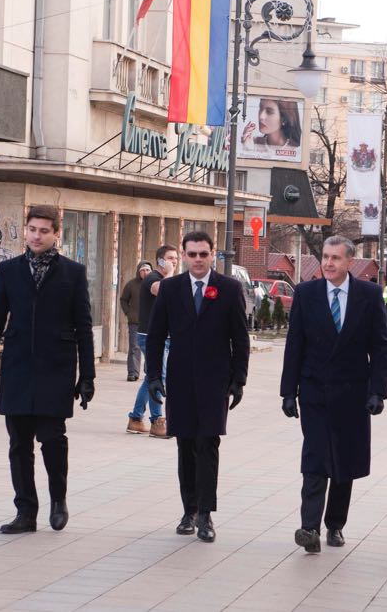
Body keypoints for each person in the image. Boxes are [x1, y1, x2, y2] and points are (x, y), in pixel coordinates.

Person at [0, 205, 95, 534]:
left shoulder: (73, 272)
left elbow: (84, 326)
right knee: (19, 444)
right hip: (17, 367)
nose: (37, 236)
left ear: (57, 234)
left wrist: (87, 375)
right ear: (25, 231)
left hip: (56, 367)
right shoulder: (10, 270)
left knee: (53, 439)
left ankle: (58, 500)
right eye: (32, 229)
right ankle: (25, 511)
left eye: (44, 230)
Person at [281, 236, 387, 552]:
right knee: (315, 459)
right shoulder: (306, 293)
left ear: (349, 262)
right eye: (325, 257)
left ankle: (335, 525)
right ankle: (308, 528)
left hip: (353, 393)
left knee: (344, 462)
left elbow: (380, 347)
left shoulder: (369, 295)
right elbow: (294, 345)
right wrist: (288, 392)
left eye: (335, 258)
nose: (328, 263)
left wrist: (378, 392)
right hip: (315, 390)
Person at [146, 231, 250, 543]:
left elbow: (240, 339)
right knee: (185, 445)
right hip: (179, 380)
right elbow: (155, 336)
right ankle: (188, 510)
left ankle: (206, 514)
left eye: (203, 254)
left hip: (214, 381)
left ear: (213, 254)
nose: (197, 260)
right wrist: (153, 376)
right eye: (192, 254)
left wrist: (238, 380)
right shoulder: (170, 289)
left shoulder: (229, 288)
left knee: (208, 445)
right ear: (184, 255)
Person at [127, 245, 179, 438]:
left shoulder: (167, 278)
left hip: (164, 336)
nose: (174, 261)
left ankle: (135, 418)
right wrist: (172, 272)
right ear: (160, 260)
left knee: (152, 377)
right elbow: (162, 290)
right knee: (160, 376)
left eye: (175, 258)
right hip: (149, 337)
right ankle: (157, 422)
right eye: (170, 258)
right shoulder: (152, 278)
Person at [119, 262, 152, 382]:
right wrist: (128, 313)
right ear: (138, 271)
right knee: (134, 347)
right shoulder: (131, 284)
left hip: (151, 322)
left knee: (151, 348)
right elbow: (123, 300)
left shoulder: (155, 284)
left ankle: (150, 372)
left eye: (148, 270)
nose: (145, 272)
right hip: (135, 322)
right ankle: (133, 373)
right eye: (143, 270)